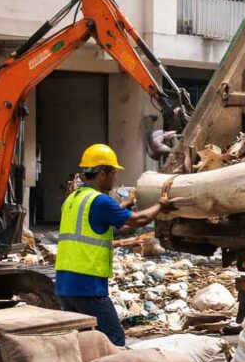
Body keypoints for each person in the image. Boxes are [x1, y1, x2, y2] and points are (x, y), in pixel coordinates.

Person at [55, 143, 171, 346]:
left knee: (83, 342)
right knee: (114, 339)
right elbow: (138, 220)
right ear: (102, 174)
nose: (115, 177)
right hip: (88, 286)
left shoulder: (73, 199)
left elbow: (107, 226)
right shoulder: (100, 201)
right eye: (113, 173)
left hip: (65, 285)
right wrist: (161, 204)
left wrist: (127, 206)